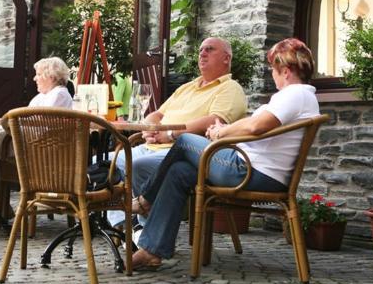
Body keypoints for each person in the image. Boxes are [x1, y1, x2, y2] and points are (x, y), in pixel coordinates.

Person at [129, 38, 321, 270]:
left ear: (287, 71)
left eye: (273, 69)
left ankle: (145, 200)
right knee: (179, 172)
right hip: (248, 168)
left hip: (250, 172)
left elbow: (255, 126)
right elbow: (254, 124)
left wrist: (221, 132)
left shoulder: (295, 94)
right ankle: (152, 250)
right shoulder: (299, 96)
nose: (273, 74)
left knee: (185, 139)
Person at [106, 37, 247, 228]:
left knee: (139, 165)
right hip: (153, 145)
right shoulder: (187, 87)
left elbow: (215, 121)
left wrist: (170, 133)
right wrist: (149, 129)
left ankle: (143, 228)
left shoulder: (230, 88)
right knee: (106, 162)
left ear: (226, 58)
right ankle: (122, 223)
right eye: (200, 50)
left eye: (210, 49)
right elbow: (156, 114)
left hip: (185, 153)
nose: (202, 53)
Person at [0, 56, 73, 226]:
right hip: (27, 146)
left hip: (41, 154)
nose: (34, 78)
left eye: (38, 74)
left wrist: (14, 128)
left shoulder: (59, 95)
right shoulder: (42, 96)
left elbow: (42, 127)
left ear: (51, 77)